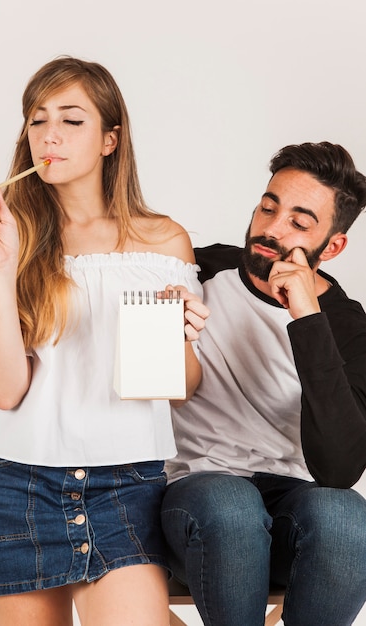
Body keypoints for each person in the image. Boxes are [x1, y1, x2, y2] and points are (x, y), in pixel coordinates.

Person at [0, 56, 209, 626]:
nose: (49, 135)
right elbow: (2, 391)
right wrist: (0, 268)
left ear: (109, 140)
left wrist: (182, 338)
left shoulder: (164, 241)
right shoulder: (4, 238)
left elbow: (182, 387)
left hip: (125, 485)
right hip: (13, 484)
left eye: (72, 121)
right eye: (37, 120)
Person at [161, 142, 366, 626]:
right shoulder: (199, 269)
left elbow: (338, 471)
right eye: (267, 207)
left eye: (299, 222)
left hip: (291, 512)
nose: (271, 230)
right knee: (231, 507)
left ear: (332, 246)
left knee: (347, 520)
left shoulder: (347, 326)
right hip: (194, 501)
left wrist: (307, 319)